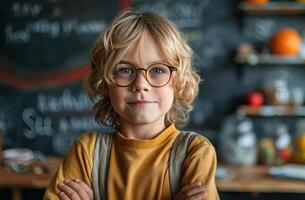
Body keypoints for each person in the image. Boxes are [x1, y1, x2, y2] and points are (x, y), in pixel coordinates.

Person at [44, 9, 219, 200]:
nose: (141, 84)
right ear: (104, 83)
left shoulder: (194, 153)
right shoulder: (87, 152)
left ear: (178, 83)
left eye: (158, 70)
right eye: (125, 70)